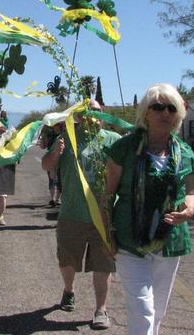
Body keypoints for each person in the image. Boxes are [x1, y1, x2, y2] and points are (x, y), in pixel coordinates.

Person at [105, 83, 194, 335]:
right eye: (158, 107)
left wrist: (188, 211)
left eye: (172, 108)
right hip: (129, 241)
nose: (165, 113)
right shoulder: (124, 148)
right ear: (145, 113)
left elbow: (190, 193)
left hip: (169, 241)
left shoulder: (184, 152)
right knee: (142, 308)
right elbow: (106, 195)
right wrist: (106, 233)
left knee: (157, 310)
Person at [41, 100, 121, 330]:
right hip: (72, 213)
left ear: (103, 115)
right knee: (67, 261)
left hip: (104, 216)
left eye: (96, 111)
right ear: (78, 116)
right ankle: (69, 290)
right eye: (86, 111)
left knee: (103, 265)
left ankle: (101, 310)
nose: (91, 115)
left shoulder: (113, 141)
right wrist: (56, 152)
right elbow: (46, 166)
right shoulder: (66, 139)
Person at [39, 123, 63, 207]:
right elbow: (42, 146)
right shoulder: (49, 134)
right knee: (52, 179)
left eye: (57, 124)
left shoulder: (64, 134)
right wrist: (42, 138)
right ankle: (53, 199)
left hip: (62, 159)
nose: (55, 126)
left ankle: (58, 199)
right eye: (54, 124)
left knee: (60, 179)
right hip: (51, 158)